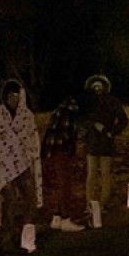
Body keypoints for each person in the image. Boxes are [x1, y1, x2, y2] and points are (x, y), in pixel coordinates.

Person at [0, 80, 42, 252]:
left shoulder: (26, 116)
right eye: (10, 96)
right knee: (9, 201)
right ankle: (6, 238)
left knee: (30, 199)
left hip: (23, 165)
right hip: (4, 168)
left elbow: (31, 138)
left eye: (17, 95)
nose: (14, 99)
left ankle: (27, 239)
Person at [81, 74, 128, 212]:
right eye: (94, 86)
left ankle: (102, 204)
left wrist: (111, 131)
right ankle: (89, 204)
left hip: (106, 142)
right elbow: (82, 120)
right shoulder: (87, 103)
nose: (97, 89)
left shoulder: (113, 101)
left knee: (105, 174)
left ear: (105, 87)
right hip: (92, 141)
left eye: (99, 86)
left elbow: (123, 120)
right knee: (92, 173)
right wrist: (93, 125)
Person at [41, 95, 86, 232]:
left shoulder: (57, 111)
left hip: (50, 153)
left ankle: (57, 217)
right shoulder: (70, 113)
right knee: (65, 185)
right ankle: (66, 219)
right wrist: (72, 149)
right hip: (61, 152)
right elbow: (67, 134)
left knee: (59, 185)